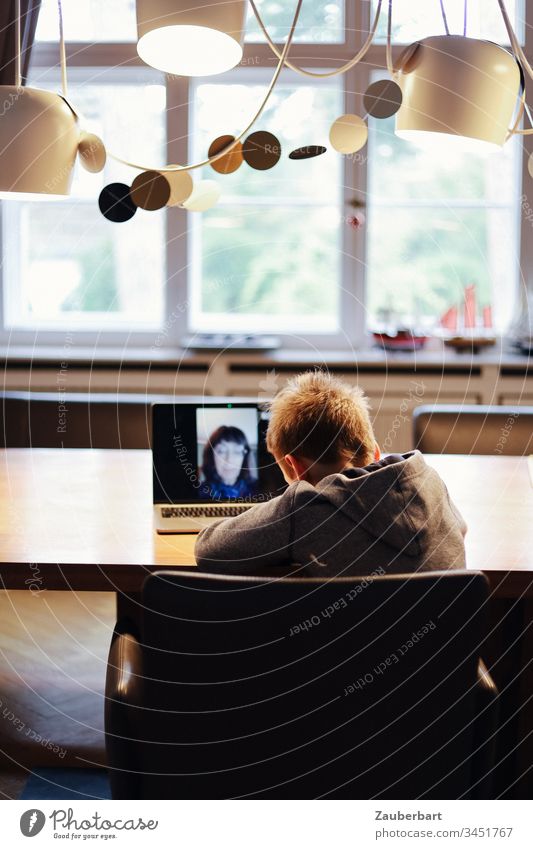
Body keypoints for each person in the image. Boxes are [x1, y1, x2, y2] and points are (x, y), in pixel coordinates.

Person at [195, 371, 467, 575]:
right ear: (374, 451)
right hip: (449, 649)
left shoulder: (302, 511)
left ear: (295, 467)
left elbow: (207, 549)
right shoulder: (426, 479)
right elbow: (461, 529)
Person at [199, 425, 258, 501]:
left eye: (237, 451)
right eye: (221, 451)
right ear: (212, 456)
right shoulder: (200, 491)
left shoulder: (257, 489)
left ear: (244, 458)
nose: (229, 460)